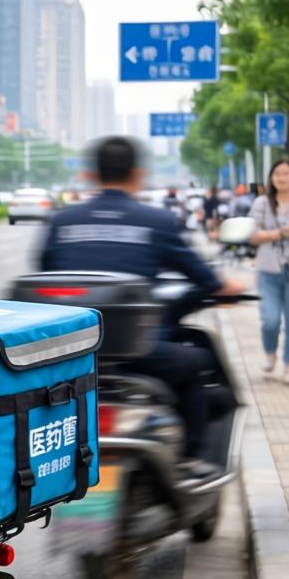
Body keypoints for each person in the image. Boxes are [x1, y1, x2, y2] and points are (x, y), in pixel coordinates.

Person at [40, 136, 244, 468]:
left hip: (72, 354)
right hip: (140, 355)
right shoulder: (155, 221)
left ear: (92, 175)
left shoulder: (63, 222)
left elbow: (45, 278)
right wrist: (229, 286)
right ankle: (195, 461)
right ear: (137, 175)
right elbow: (205, 278)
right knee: (194, 364)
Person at [248, 160, 289, 384]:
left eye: (286, 173)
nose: (282, 177)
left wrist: (278, 232)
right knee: (270, 320)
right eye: (277, 173)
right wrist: (283, 232)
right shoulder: (262, 203)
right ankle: (270, 353)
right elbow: (253, 235)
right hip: (268, 270)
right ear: (271, 177)